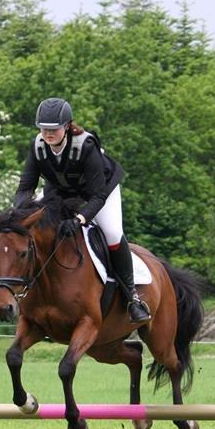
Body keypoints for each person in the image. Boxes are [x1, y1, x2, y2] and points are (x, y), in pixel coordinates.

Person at [14, 97, 151, 323]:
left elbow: (97, 195)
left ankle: (132, 298)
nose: (48, 134)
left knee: (112, 234)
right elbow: (25, 187)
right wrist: (17, 215)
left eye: (54, 129)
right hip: (61, 194)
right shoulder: (38, 146)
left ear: (67, 126)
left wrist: (80, 219)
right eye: (43, 129)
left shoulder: (85, 145)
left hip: (98, 192)